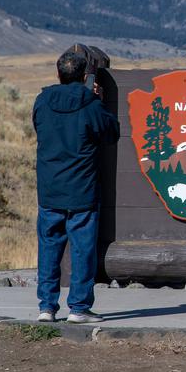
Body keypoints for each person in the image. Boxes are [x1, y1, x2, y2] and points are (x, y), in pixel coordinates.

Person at [33, 50, 120, 324]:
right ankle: (79, 308)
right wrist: (99, 101)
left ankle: (47, 307)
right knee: (83, 251)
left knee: (49, 249)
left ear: (58, 74)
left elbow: (39, 128)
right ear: (84, 76)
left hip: (50, 188)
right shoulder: (90, 105)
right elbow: (111, 134)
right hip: (82, 190)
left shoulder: (42, 101)